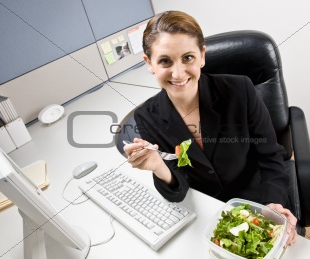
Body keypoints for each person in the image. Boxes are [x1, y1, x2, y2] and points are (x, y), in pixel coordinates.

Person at [123, 10, 297, 246]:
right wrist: (158, 167)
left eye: (188, 58)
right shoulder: (147, 116)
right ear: (149, 64)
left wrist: (274, 204)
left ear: (202, 56)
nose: (178, 73)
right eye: (165, 61)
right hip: (204, 214)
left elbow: (270, 155)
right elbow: (179, 187)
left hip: (254, 200)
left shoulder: (240, 90)